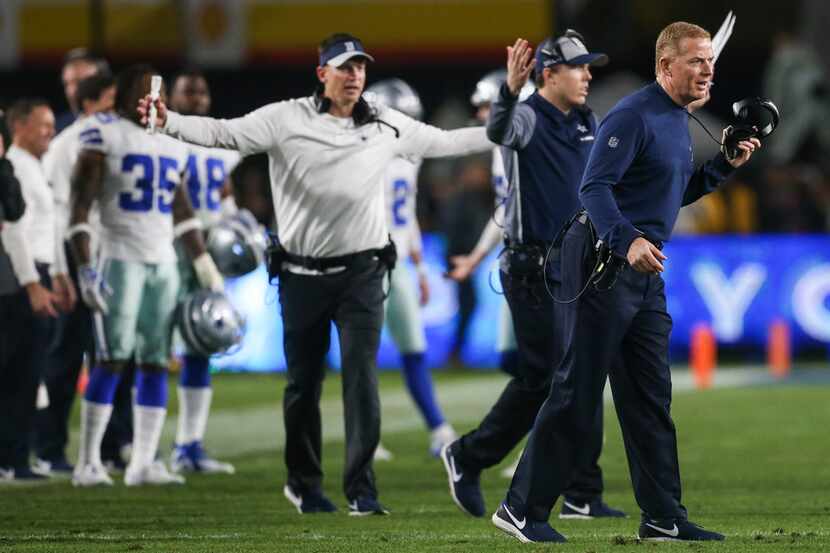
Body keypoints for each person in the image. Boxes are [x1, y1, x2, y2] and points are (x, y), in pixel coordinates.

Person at [139, 32, 492, 515]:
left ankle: (362, 490)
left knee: (362, 379)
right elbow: (223, 133)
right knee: (304, 385)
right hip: (302, 273)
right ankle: (304, 483)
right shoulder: (286, 118)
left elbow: (448, 142)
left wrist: (513, 126)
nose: (354, 76)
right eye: (344, 67)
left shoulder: (385, 122)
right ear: (321, 72)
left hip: (364, 272)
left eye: (361, 67)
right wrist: (169, 120)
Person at [492, 22, 760, 543]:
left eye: (711, 61)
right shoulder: (634, 114)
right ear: (665, 67)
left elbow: (667, 195)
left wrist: (722, 168)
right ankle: (520, 508)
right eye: (697, 61)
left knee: (649, 396)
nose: (709, 70)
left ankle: (662, 516)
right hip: (602, 263)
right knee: (577, 390)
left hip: (641, 270)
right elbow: (593, 187)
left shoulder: (675, 119)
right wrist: (627, 239)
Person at [440, 33, 624, 521]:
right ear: (548, 74)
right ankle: (468, 455)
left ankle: (583, 491)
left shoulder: (588, 120)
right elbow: (499, 130)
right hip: (533, 267)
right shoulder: (526, 116)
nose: (587, 75)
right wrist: (508, 90)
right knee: (542, 378)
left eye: (588, 67)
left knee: (582, 374)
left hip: (578, 266)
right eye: (578, 68)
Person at [69, 65, 224, 487]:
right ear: (125, 96)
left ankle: (142, 463)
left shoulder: (172, 142)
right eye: (145, 91)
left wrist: (202, 261)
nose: (152, 100)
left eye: (157, 93)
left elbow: (181, 208)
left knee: (156, 361)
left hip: (162, 261)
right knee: (112, 358)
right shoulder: (104, 132)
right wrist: (84, 267)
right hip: (118, 256)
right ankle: (87, 463)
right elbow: (80, 206)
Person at [364, 78, 457, 459]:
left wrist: (419, 269)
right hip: (365, 261)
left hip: (399, 261)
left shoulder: (411, 156)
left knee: (414, 348)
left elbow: (408, 216)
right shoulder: (362, 150)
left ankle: (439, 428)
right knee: (362, 353)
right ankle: (365, 436)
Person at [34, 73, 116, 476]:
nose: (115, 110)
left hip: (111, 255)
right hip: (73, 253)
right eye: (110, 101)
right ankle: (50, 448)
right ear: (89, 104)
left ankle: (116, 446)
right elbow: (55, 214)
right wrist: (63, 271)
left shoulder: (116, 139)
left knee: (115, 354)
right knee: (66, 355)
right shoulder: (67, 145)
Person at [166, 68, 241, 475]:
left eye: (201, 90)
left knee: (201, 347)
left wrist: (237, 226)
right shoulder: (162, 139)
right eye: (187, 90)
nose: (196, 97)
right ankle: (126, 444)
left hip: (209, 253)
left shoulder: (219, 142)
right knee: (152, 350)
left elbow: (224, 195)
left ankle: (189, 445)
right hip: (169, 251)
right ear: (172, 97)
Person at [0, 99, 70, 480]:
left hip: (37, 272)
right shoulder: (16, 169)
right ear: (19, 126)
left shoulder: (33, 168)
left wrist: (57, 276)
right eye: (42, 124)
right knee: (18, 371)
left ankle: (16, 457)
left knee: (29, 370)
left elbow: (47, 230)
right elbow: (15, 230)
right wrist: (32, 285)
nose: (50, 131)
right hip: (17, 276)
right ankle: (12, 457)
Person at [55, 49, 108, 134]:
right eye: (67, 84)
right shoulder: (57, 130)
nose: (71, 91)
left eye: (80, 82)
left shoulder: (128, 127)